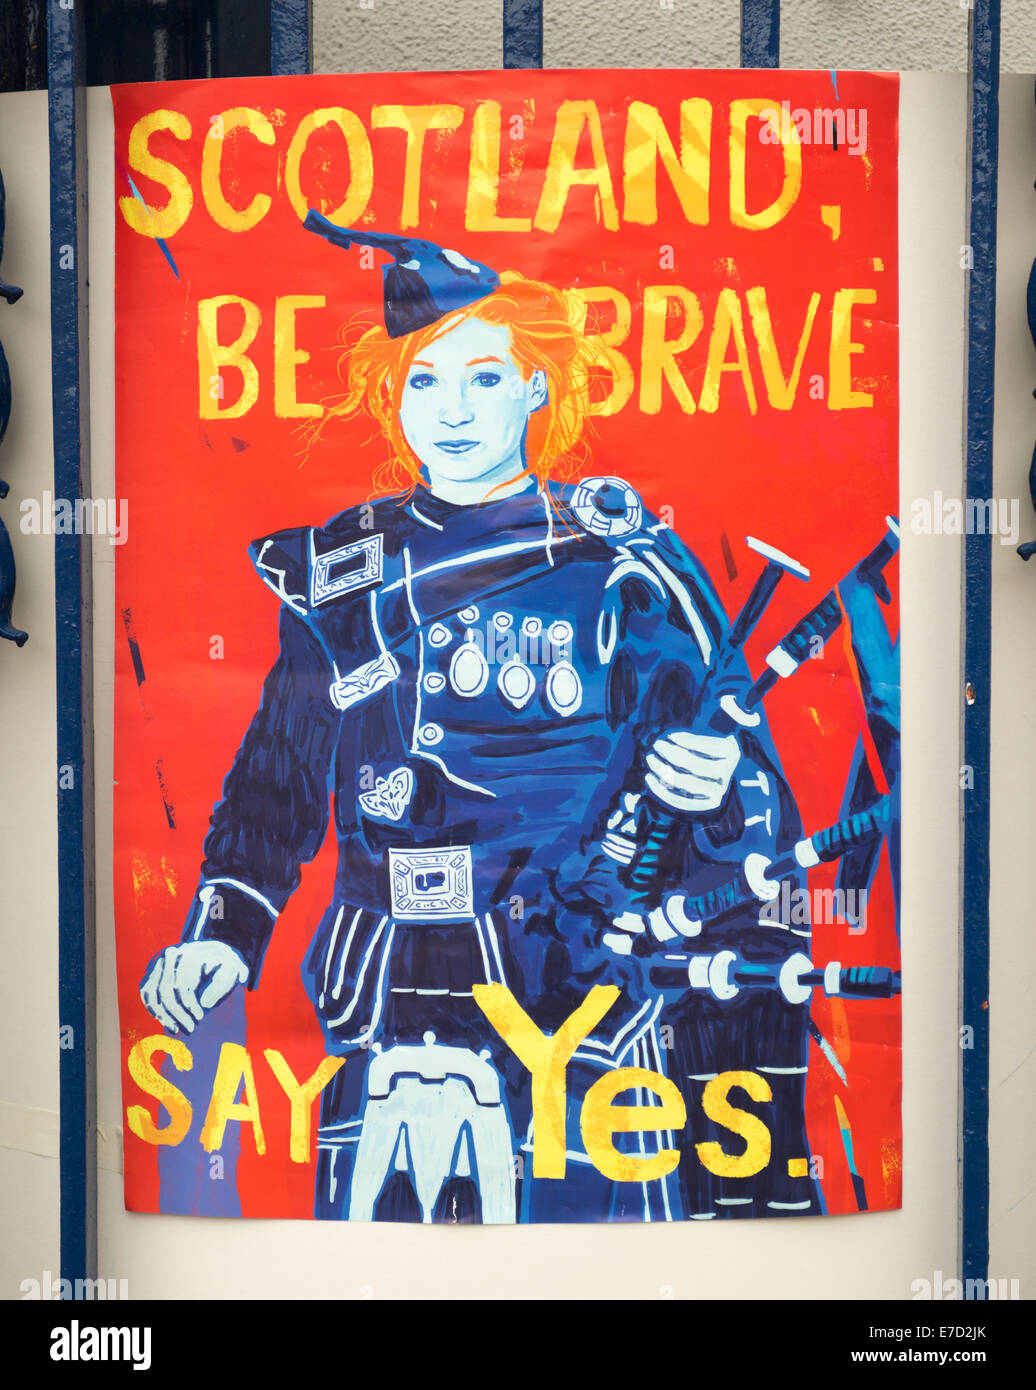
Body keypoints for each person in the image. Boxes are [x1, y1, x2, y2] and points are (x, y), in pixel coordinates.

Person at [140, 225, 822, 1222]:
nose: (450, 411)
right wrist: (226, 929)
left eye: (485, 378)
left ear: (536, 388)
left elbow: (741, 781)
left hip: (576, 998)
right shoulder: (338, 573)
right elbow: (275, 784)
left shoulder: (621, 559)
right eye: (424, 381)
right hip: (384, 1004)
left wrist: (713, 784)